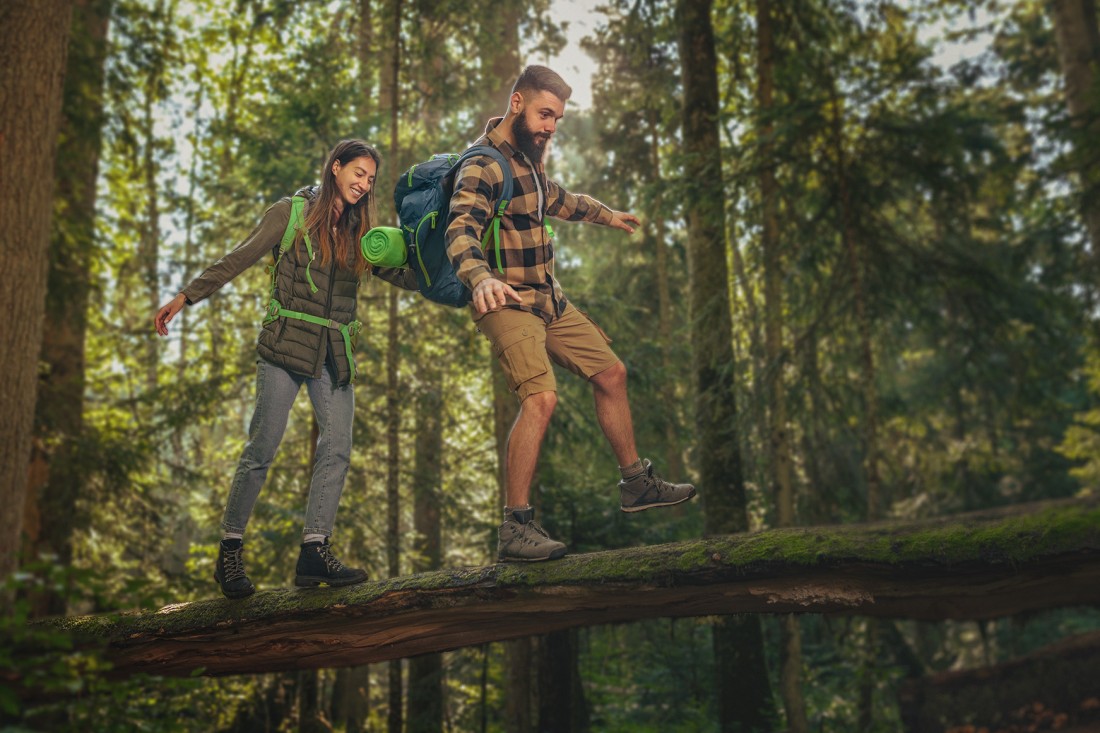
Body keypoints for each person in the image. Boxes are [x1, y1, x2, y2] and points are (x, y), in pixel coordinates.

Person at [445, 65, 697, 563]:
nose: (551, 127)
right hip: (506, 300)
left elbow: (562, 201)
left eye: (557, 118)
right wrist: (482, 279)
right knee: (540, 399)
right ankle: (515, 527)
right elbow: (460, 229)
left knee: (611, 373)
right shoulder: (484, 164)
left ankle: (635, 484)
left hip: (549, 299)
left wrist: (610, 215)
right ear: (516, 103)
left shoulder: (529, 162)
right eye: (544, 114)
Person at [155, 139, 416, 598]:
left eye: (371, 179)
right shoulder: (291, 214)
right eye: (358, 172)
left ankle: (314, 551)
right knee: (262, 449)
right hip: (283, 347)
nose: (364, 184)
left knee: (337, 447)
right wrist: (186, 296)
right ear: (335, 168)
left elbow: (403, 274)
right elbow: (238, 258)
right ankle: (230, 553)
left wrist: (462, 271)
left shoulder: (362, 233)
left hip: (331, 352)